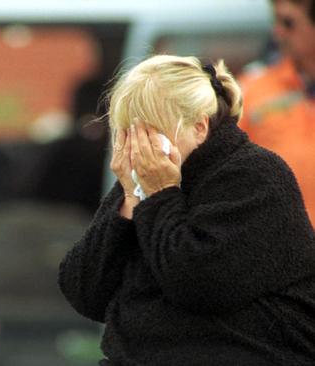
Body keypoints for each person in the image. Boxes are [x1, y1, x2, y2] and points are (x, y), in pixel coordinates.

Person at [58, 54, 315, 365]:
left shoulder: (256, 177)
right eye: (128, 133)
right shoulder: (145, 183)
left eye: (152, 134)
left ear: (200, 127)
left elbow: (197, 283)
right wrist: (127, 200)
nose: (141, 148)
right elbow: (84, 292)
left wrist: (160, 195)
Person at [238, 0, 315, 224]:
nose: (277, 31)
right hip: (279, 245)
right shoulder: (252, 88)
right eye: (276, 21)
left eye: (288, 23)